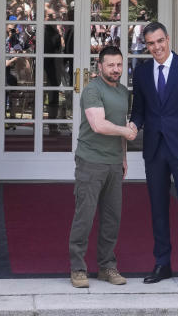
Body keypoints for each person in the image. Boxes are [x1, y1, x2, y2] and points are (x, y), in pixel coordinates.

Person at [128, 21, 178, 289]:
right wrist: (131, 127)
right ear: (146, 45)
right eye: (150, 43)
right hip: (154, 151)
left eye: (160, 41)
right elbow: (139, 110)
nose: (156, 47)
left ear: (168, 39)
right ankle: (162, 263)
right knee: (158, 209)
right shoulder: (140, 73)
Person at [68, 46, 137, 288]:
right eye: (110, 65)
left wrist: (124, 157)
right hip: (91, 161)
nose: (116, 69)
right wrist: (126, 131)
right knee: (84, 216)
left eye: (119, 65)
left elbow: (119, 125)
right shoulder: (91, 90)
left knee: (112, 218)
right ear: (100, 66)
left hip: (114, 162)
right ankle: (77, 268)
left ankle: (107, 266)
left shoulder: (123, 92)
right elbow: (98, 124)